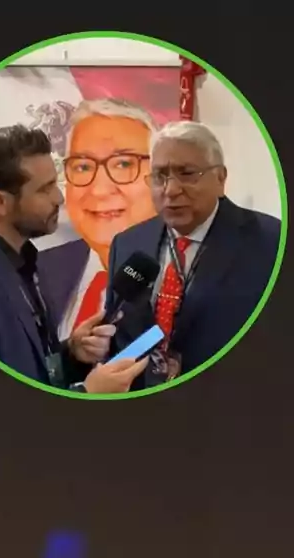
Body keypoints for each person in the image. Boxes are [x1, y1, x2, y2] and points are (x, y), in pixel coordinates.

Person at [0, 124, 147, 394]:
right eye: (44, 189)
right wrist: (87, 394)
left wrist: (72, 355)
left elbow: (30, 372)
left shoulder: (25, 262)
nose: (58, 197)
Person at [105, 120, 281, 388]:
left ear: (221, 178)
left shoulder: (270, 241)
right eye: (160, 176)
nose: (171, 189)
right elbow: (127, 337)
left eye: (187, 173)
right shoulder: (128, 244)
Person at [38, 98, 160, 341]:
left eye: (124, 164)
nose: (100, 190)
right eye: (82, 167)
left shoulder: (190, 274)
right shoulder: (37, 271)